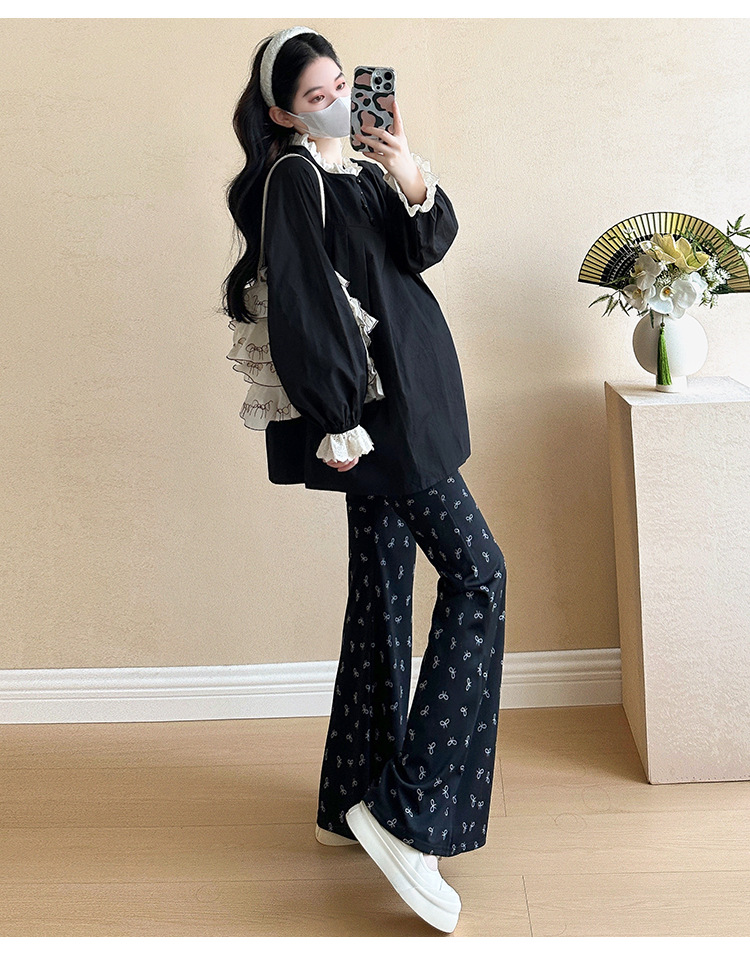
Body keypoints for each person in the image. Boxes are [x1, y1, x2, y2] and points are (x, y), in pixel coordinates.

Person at [223, 26, 506, 935]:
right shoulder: (293, 178)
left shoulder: (358, 169)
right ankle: (407, 814)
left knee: (381, 592)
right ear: (280, 114)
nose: (340, 102)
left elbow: (423, 249)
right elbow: (304, 303)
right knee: (479, 574)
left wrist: (407, 167)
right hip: (384, 417)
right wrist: (338, 415)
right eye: (317, 96)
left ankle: (351, 799)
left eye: (342, 84)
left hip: (410, 402)